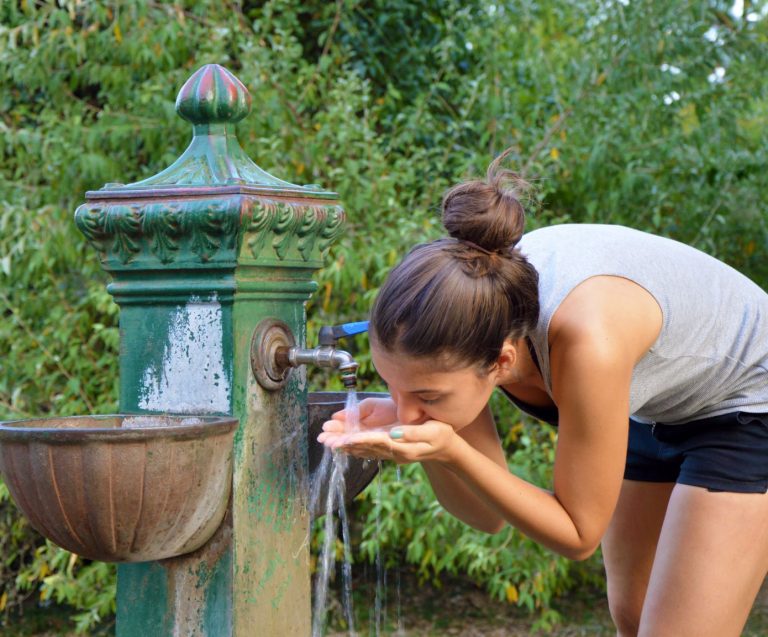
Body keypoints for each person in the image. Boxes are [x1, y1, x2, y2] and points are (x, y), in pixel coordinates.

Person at [318, 156, 768, 637]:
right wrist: (426, 440)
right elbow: (486, 516)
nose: (404, 407)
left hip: (748, 402)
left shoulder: (586, 343)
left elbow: (578, 535)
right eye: (392, 385)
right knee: (634, 617)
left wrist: (448, 447)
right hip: (658, 401)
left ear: (503, 362)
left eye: (426, 394)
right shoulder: (469, 312)